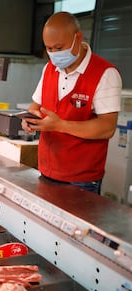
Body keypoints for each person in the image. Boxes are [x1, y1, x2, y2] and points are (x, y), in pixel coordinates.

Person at [22, 11, 122, 194]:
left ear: (78, 38)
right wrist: (30, 119)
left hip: (82, 180)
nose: (54, 55)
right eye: (49, 49)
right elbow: (35, 106)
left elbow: (107, 127)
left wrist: (60, 125)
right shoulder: (49, 68)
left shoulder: (105, 73)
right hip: (46, 170)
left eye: (59, 48)